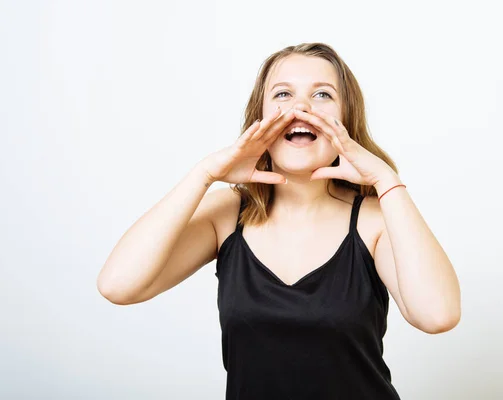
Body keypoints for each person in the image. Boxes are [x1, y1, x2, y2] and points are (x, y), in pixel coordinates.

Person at [97, 42, 461, 399]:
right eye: (283, 94)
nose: (300, 108)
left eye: (322, 95)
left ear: (346, 118)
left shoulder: (374, 219)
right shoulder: (226, 214)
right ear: (260, 117)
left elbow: (437, 315)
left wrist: (385, 180)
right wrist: (205, 173)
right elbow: (118, 285)